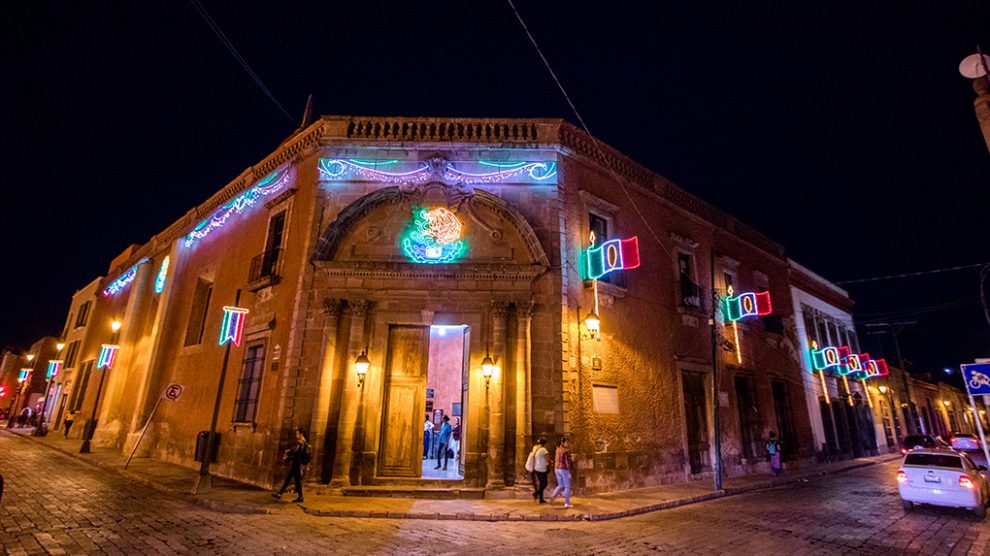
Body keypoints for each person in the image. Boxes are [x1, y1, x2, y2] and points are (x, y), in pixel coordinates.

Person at [273, 428, 311, 503]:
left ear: (301, 434)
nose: (296, 435)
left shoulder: (301, 443)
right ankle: (281, 493)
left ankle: (298, 496)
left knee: (294, 480)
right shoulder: (304, 443)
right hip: (297, 464)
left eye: (297, 434)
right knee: (293, 480)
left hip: (297, 464)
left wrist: (288, 457)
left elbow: (297, 454)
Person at [550, 437, 573, 508]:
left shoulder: (557, 450)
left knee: (561, 485)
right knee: (567, 486)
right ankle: (567, 503)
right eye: (566, 442)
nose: (567, 443)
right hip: (564, 469)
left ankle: (553, 496)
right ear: (562, 443)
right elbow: (567, 462)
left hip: (557, 469)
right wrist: (569, 471)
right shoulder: (565, 451)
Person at [526, 436, 550, 503]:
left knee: (541, 484)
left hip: (536, 468)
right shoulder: (544, 450)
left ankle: (541, 499)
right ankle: (536, 493)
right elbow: (547, 460)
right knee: (544, 483)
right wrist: (550, 464)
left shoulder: (535, 447)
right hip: (542, 469)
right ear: (544, 443)